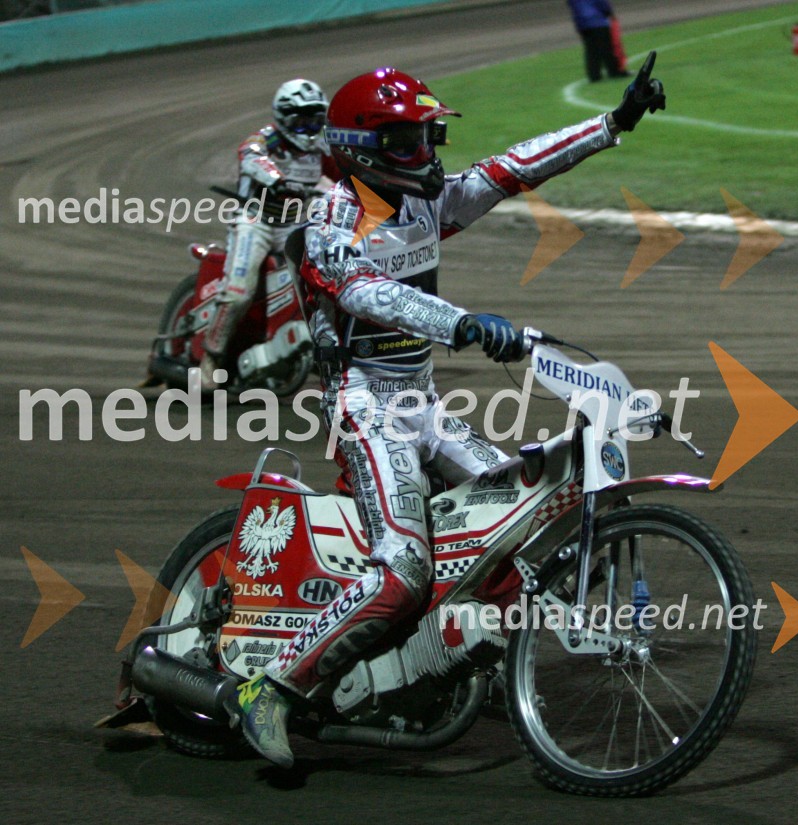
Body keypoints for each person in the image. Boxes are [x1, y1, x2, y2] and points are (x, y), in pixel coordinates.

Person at [227, 60, 666, 766]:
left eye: (430, 138)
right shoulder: (331, 213)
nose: (426, 156)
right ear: (363, 147)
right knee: (403, 569)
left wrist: (612, 124)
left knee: (523, 512)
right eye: (408, 142)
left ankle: (452, 655)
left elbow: (515, 167)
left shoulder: (429, 199)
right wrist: (461, 322)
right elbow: (364, 289)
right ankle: (271, 689)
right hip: (366, 405)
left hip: (422, 403)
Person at [199, 78, 339, 391]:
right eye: (301, 121)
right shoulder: (266, 139)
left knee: (328, 281)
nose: (309, 128)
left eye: (315, 120)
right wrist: (277, 179)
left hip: (294, 223)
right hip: (256, 220)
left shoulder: (322, 144)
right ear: (284, 117)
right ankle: (211, 357)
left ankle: (323, 350)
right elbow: (250, 155)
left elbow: (343, 170)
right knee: (239, 290)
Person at [566, 0, 629, 82]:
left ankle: (594, 74)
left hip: (582, 23)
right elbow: (601, 3)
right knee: (606, 48)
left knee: (591, 50)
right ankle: (614, 71)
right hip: (598, 20)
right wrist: (609, 13)